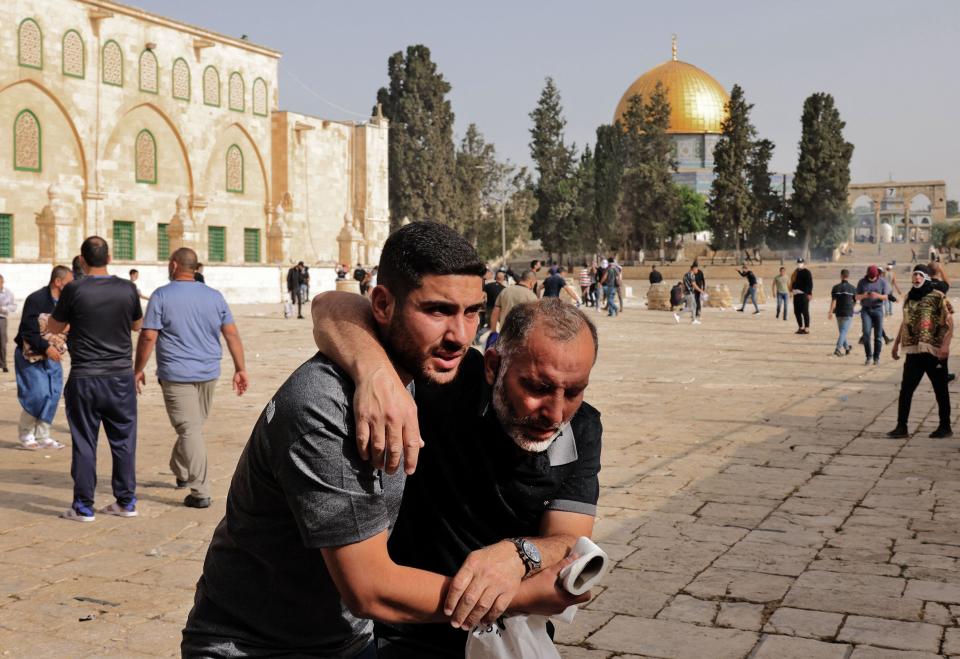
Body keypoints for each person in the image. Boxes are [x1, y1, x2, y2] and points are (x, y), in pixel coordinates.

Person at [182, 222, 580, 657]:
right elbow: (370, 590)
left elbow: (335, 304)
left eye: (472, 312)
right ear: (385, 305)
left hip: (348, 643)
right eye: (437, 311)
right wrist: (521, 597)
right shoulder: (324, 407)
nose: (460, 336)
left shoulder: (418, 369)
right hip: (256, 646)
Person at [314, 297, 602, 658]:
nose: (556, 413)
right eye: (537, 388)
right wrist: (374, 373)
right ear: (494, 366)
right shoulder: (449, 381)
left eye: (573, 392)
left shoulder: (583, 427)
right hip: (405, 631)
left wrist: (518, 555)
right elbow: (332, 307)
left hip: (506, 637)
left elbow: (569, 536)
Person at [133, 248, 249, 509]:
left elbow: (148, 336)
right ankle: (183, 471)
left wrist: (137, 368)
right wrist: (240, 368)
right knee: (191, 427)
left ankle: (200, 491)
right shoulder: (214, 296)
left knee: (189, 428)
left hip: (177, 373)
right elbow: (231, 334)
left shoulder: (162, 296)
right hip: (208, 373)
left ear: (174, 265)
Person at [46, 237, 143, 522]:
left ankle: (84, 507)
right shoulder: (127, 288)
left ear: (82, 260)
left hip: (86, 376)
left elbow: (54, 325)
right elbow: (137, 324)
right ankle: (126, 501)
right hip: (120, 377)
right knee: (124, 441)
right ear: (109, 257)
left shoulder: (74, 289)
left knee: (85, 442)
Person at [888, 264, 953, 439]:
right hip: (914, 352)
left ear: (925, 277)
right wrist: (896, 344)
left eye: (920, 275)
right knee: (906, 390)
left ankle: (945, 426)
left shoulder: (937, 296)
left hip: (934, 351)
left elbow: (949, 322)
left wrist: (946, 345)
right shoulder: (909, 297)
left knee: (940, 390)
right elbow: (905, 321)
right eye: (914, 274)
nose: (916, 278)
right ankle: (901, 427)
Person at [13, 266, 72, 449]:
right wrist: (47, 348)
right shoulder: (36, 299)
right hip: (31, 355)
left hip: (54, 356)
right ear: (58, 281)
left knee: (53, 394)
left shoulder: (67, 302)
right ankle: (26, 434)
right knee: (37, 394)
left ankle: (43, 435)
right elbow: (27, 331)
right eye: (69, 282)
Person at [855, 265, 890, 366]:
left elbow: (886, 296)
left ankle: (876, 357)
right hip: (865, 310)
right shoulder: (862, 282)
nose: (872, 279)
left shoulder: (882, 282)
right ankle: (868, 356)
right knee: (866, 334)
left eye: (874, 277)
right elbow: (857, 297)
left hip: (878, 310)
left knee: (878, 336)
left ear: (877, 275)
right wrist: (864, 295)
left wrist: (877, 295)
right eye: (870, 277)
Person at [828, 269, 856, 357]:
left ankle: (847, 348)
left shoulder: (835, 287)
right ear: (848, 276)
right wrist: (852, 307)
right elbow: (855, 301)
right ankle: (838, 349)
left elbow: (833, 301)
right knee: (843, 331)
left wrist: (831, 312)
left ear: (841, 276)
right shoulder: (852, 288)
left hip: (838, 312)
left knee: (842, 331)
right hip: (848, 312)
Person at [790, 258, 813, 334]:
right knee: (796, 312)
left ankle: (806, 328)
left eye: (801, 262)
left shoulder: (807, 272)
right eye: (798, 263)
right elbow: (792, 282)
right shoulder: (795, 272)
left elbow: (810, 284)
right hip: (796, 295)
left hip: (803, 295)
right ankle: (800, 327)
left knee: (805, 311)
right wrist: (792, 290)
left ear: (803, 263)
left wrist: (809, 293)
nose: (799, 264)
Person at [0, 273, 15, 372]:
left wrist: (3, 308)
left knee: (2, 342)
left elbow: (13, 306)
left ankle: (3, 364)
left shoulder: (8, 293)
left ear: (3, 282)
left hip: (2, 318)